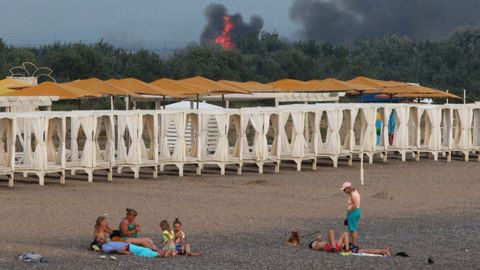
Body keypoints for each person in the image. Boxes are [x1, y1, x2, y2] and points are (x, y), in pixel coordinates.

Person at [308, 230, 391, 256]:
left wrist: (317, 239)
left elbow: (317, 241)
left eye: (314, 243)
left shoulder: (320, 242)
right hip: (334, 247)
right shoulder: (317, 247)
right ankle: (346, 249)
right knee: (331, 232)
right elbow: (315, 246)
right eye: (313, 244)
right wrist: (316, 241)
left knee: (365, 251)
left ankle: (382, 251)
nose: (314, 244)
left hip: (341, 246)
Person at [341, 182, 361, 248]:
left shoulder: (352, 194)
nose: (344, 191)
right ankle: (353, 243)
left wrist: (350, 211)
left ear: (348, 188)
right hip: (356, 212)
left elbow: (355, 204)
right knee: (352, 228)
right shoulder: (355, 192)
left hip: (353, 212)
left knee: (352, 229)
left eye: (344, 190)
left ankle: (354, 244)